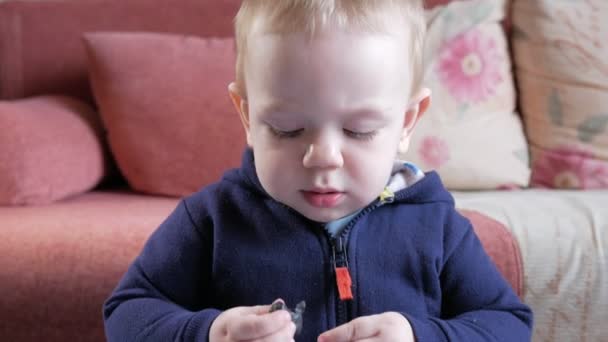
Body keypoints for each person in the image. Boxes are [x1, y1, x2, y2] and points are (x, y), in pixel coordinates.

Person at [103, 1, 533, 341]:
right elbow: (126, 312)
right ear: (248, 117)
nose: (323, 157)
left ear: (406, 123)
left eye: (358, 130)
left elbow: (508, 322)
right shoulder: (212, 220)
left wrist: (419, 335)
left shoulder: (435, 224)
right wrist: (212, 333)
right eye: (286, 129)